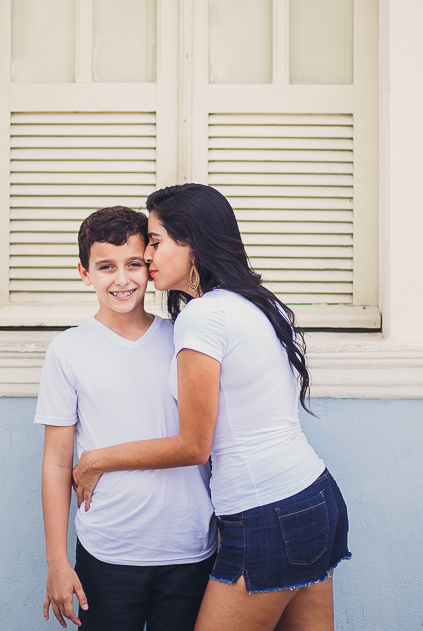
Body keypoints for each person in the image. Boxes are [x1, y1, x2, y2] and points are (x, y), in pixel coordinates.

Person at [73, 185, 351, 631]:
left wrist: (96, 460)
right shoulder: (257, 302)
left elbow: (194, 446)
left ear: (192, 242)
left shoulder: (204, 317)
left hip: (266, 513)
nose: (148, 257)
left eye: (157, 242)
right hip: (314, 495)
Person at [34, 205, 217, 631]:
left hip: (188, 548)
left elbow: (209, 440)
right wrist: (57, 561)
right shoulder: (68, 350)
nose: (122, 279)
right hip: (107, 551)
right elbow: (57, 462)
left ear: (149, 268)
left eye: (134, 264)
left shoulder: (183, 336)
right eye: (106, 267)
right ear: (84, 273)